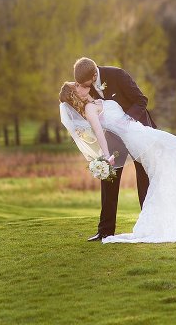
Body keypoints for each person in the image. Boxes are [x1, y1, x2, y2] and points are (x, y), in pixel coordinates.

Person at [59, 80, 176, 244]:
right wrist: (107, 155)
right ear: (75, 95)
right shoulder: (90, 109)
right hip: (137, 139)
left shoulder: (98, 101)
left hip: (142, 133)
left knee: (170, 165)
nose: (81, 85)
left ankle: (163, 219)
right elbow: (99, 132)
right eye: (76, 86)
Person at [72, 57, 153, 241]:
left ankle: (149, 226)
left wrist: (125, 122)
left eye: (84, 84)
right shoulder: (84, 82)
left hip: (136, 132)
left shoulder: (117, 75)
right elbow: (71, 91)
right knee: (108, 179)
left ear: (94, 75)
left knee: (144, 177)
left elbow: (141, 100)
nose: (83, 88)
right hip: (114, 139)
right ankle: (105, 231)